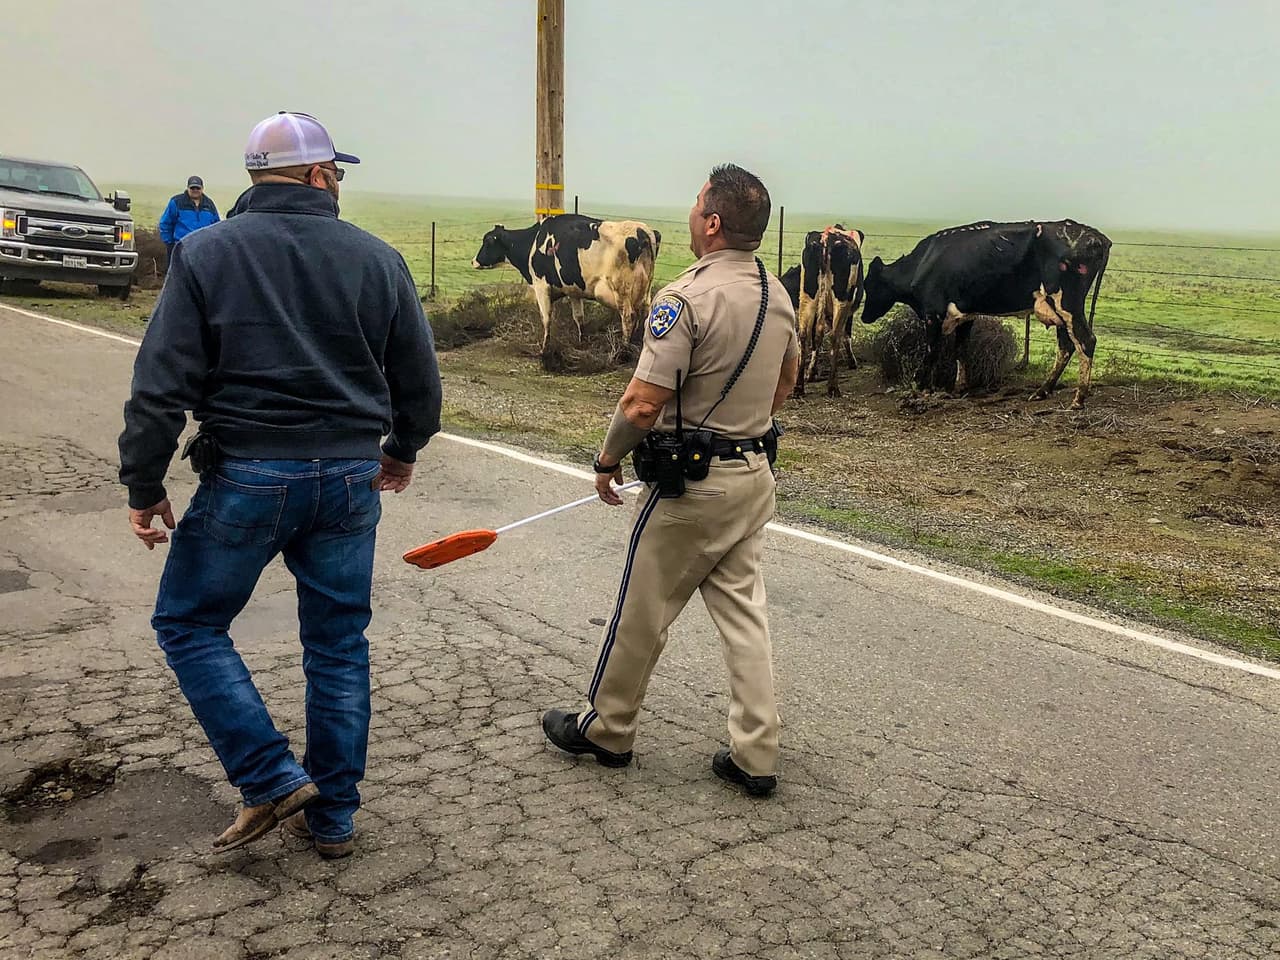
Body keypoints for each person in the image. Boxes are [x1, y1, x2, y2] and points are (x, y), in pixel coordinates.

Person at [118, 111, 442, 858]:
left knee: (189, 623)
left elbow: (160, 384)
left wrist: (144, 482)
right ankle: (332, 818)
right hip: (351, 477)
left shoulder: (205, 252)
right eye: (338, 172)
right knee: (337, 644)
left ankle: (268, 776)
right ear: (320, 175)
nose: (339, 183)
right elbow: (419, 381)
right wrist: (402, 449)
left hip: (248, 474)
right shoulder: (378, 258)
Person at [541, 164, 799, 797]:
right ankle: (756, 753)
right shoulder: (777, 293)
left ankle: (609, 728)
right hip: (753, 474)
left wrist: (607, 460)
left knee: (642, 609)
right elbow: (787, 383)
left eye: (695, 203)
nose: (688, 212)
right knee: (745, 616)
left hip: (691, 485)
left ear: (711, 222)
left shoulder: (685, 298)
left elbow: (640, 404)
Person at [157, 175, 220, 261]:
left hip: (204, 249)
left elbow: (216, 226)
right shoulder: (176, 202)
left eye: (198, 188)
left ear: (202, 189)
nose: (195, 190)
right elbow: (165, 223)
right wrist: (170, 244)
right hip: (182, 248)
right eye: (192, 188)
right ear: (187, 188)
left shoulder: (209, 204)